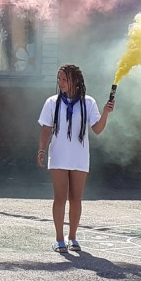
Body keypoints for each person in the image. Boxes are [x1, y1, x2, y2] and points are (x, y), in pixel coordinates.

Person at [37, 64, 114, 253]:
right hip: (58, 155)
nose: (61, 83)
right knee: (60, 197)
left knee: (76, 198)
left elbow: (97, 129)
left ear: (76, 81)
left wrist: (105, 112)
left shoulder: (88, 102)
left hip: (79, 156)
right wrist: (41, 150)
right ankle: (59, 239)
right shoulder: (52, 102)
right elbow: (46, 129)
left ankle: (72, 237)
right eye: (59, 79)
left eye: (65, 79)